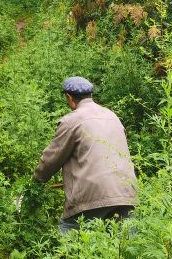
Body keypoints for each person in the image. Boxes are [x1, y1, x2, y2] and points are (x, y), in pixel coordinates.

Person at [33, 76, 137, 233]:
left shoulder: (72, 120)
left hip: (92, 196)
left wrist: (36, 180)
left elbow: (52, 158)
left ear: (69, 98)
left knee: (70, 240)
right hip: (126, 192)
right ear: (91, 95)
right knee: (123, 248)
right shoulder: (112, 116)